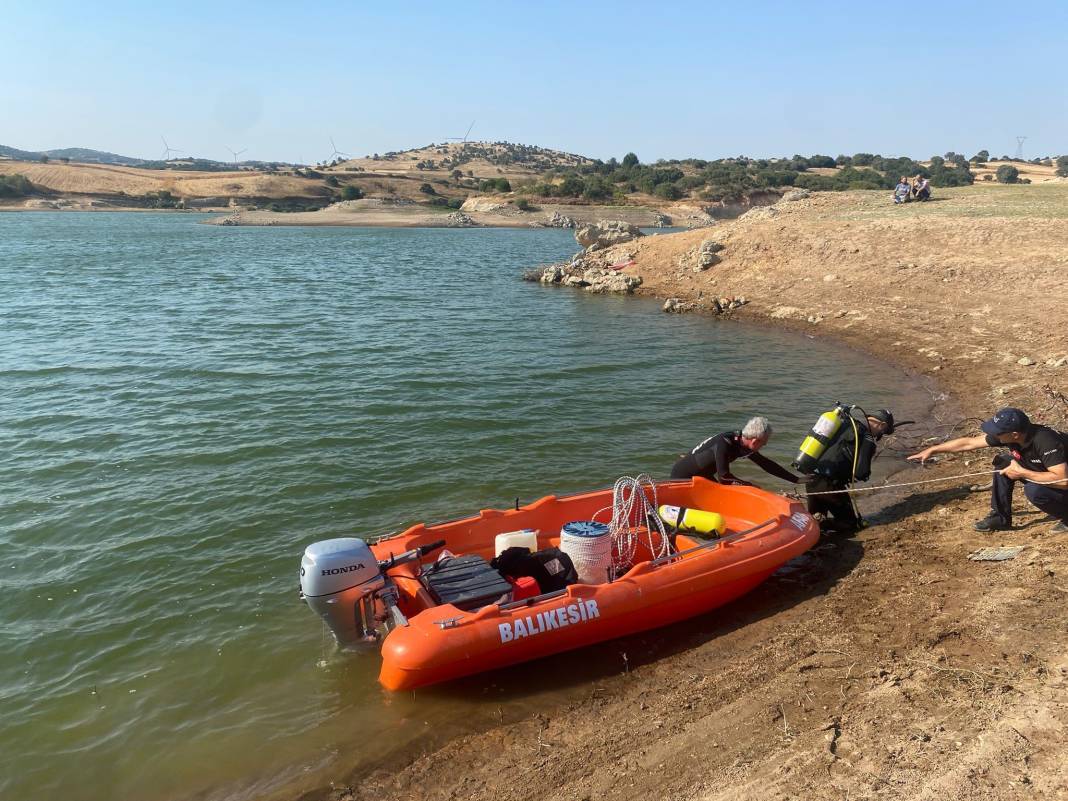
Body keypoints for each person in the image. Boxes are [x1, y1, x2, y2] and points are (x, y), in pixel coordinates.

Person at [908, 408, 1068, 533]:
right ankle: (1000, 518)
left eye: (997, 432)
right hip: (1050, 474)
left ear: (1014, 434)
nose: (993, 435)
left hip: (1062, 481)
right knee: (1003, 462)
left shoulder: (1046, 441)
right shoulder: (1012, 435)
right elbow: (968, 443)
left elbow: (1062, 480)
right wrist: (933, 450)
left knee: (1034, 490)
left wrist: (1023, 473)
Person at [805, 409, 895, 534]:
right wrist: (864, 475)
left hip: (810, 478)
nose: (879, 436)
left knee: (815, 519)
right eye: (883, 432)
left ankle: (810, 531)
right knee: (849, 524)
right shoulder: (867, 438)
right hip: (830, 485)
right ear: (882, 425)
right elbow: (860, 472)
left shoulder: (845, 424)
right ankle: (820, 524)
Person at [671, 416, 800, 487]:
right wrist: (750, 486)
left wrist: (795, 480)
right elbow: (724, 478)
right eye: (763, 443)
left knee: (722, 497)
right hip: (683, 476)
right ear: (755, 441)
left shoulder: (741, 441)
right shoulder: (725, 443)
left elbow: (766, 464)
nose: (763, 446)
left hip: (702, 475)